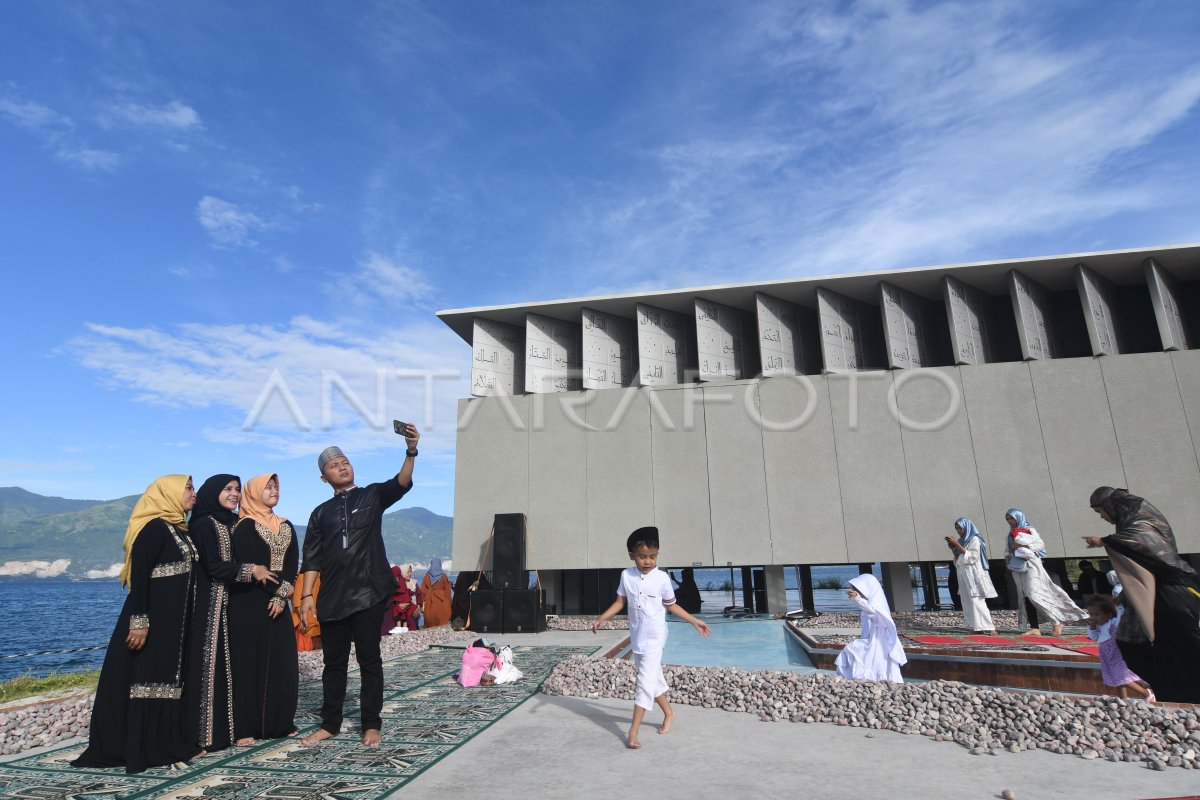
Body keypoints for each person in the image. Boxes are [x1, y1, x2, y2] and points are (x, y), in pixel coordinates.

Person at [72, 475, 204, 773]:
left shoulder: (179, 529)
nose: (193, 494)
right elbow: (140, 578)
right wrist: (140, 621)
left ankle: (166, 745)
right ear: (168, 493)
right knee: (147, 680)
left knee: (168, 683)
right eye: (188, 488)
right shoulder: (154, 529)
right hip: (151, 622)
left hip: (175, 625)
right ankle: (140, 748)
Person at [299, 426, 420, 748]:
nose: (341, 466)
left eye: (345, 461)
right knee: (333, 664)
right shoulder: (319, 513)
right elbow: (310, 558)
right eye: (333, 465)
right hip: (332, 598)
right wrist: (307, 596)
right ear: (324, 478)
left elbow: (402, 483)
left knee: (370, 661)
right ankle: (330, 723)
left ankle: (371, 724)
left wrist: (410, 450)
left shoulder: (372, 495)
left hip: (369, 593)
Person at [591, 526, 710, 750]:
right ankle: (669, 713)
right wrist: (602, 618)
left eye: (652, 557)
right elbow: (620, 602)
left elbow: (671, 605)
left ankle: (633, 731)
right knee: (653, 678)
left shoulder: (662, 578)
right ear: (632, 556)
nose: (648, 561)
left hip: (655, 637)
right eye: (643, 557)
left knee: (644, 682)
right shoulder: (626, 575)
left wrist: (695, 621)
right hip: (637, 636)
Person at [183, 474, 278, 754]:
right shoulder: (203, 524)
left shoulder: (232, 522)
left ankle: (231, 729)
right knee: (208, 670)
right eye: (228, 489)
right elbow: (213, 567)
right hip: (208, 606)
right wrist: (253, 570)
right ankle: (205, 736)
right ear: (213, 492)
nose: (234, 494)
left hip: (232, 605)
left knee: (231, 668)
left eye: (237, 489)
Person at [1085, 486, 1200, 704]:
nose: (1102, 517)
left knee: (1181, 647)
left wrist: (1105, 541)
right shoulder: (1132, 520)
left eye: (1101, 511)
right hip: (1158, 593)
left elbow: (1145, 541)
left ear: (1111, 506)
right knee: (1133, 644)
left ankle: (1184, 696)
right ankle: (1172, 692)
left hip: (1172, 592)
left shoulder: (1142, 519)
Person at [228, 473, 298, 744]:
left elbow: (292, 563)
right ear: (255, 492)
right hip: (250, 601)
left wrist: (282, 596)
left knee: (283, 662)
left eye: (276, 487)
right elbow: (251, 564)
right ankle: (246, 727)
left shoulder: (286, 524)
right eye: (267, 487)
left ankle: (280, 722)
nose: (273, 491)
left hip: (279, 600)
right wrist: (279, 591)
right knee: (249, 662)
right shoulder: (244, 527)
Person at [1003, 508, 1086, 636]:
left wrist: (1023, 546)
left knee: (1034, 594)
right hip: (1017, 567)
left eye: (1012, 518)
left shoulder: (1030, 530)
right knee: (1025, 596)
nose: (1010, 521)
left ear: (1019, 517)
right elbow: (1007, 549)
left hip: (1031, 565)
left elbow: (1040, 544)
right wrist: (1008, 556)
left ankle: (1056, 621)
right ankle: (1034, 627)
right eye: (1008, 519)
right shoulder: (1009, 534)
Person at [834, 573, 907, 683]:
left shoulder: (876, 603)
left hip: (879, 640)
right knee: (865, 658)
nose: (858, 592)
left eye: (860, 589)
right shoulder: (872, 602)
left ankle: (866, 679)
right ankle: (862, 679)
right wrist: (859, 599)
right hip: (872, 638)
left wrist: (858, 599)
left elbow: (871, 611)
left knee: (854, 650)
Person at [1085, 595, 1153, 701]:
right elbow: (1094, 637)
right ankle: (1123, 699)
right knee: (1116, 679)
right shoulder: (1099, 627)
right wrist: (1092, 628)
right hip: (1107, 657)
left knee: (1121, 677)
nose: (1093, 617)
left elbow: (1120, 615)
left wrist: (1120, 605)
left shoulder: (1113, 624)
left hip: (1118, 655)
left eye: (1097, 614)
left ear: (1108, 615)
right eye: (1091, 614)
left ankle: (1145, 693)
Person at [945, 517, 997, 634]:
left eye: (960, 528)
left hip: (974, 573)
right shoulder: (961, 541)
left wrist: (957, 545)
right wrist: (954, 549)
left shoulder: (975, 539)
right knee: (966, 599)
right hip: (963, 573)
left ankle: (989, 627)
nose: (959, 530)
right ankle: (976, 626)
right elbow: (959, 558)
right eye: (957, 528)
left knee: (976, 599)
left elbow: (973, 556)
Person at [388, 564, 422, 632]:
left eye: (411, 571)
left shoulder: (414, 582)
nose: (410, 574)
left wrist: (418, 606)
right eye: (408, 572)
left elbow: (419, 596)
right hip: (404, 608)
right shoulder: (398, 582)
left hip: (413, 610)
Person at [420, 557, 452, 628]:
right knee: (443, 619)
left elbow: (423, 591)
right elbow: (448, 591)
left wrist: (423, 602)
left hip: (429, 601)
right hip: (442, 600)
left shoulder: (426, 577)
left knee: (430, 620)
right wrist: (450, 602)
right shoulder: (443, 576)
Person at [292, 573, 321, 651]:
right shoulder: (303, 575)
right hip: (304, 629)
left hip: (317, 627)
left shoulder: (324, 576)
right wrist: (303, 620)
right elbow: (297, 603)